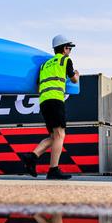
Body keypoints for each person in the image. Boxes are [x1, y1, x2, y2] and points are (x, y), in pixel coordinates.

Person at [21, 35, 80, 180]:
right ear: (65, 48)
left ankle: (32, 156)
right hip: (55, 99)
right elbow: (73, 79)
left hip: (44, 101)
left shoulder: (44, 65)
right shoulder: (65, 60)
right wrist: (77, 74)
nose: (70, 51)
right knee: (60, 134)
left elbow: (37, 82)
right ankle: (53, 169)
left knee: (54, 136)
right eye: (70, 48)